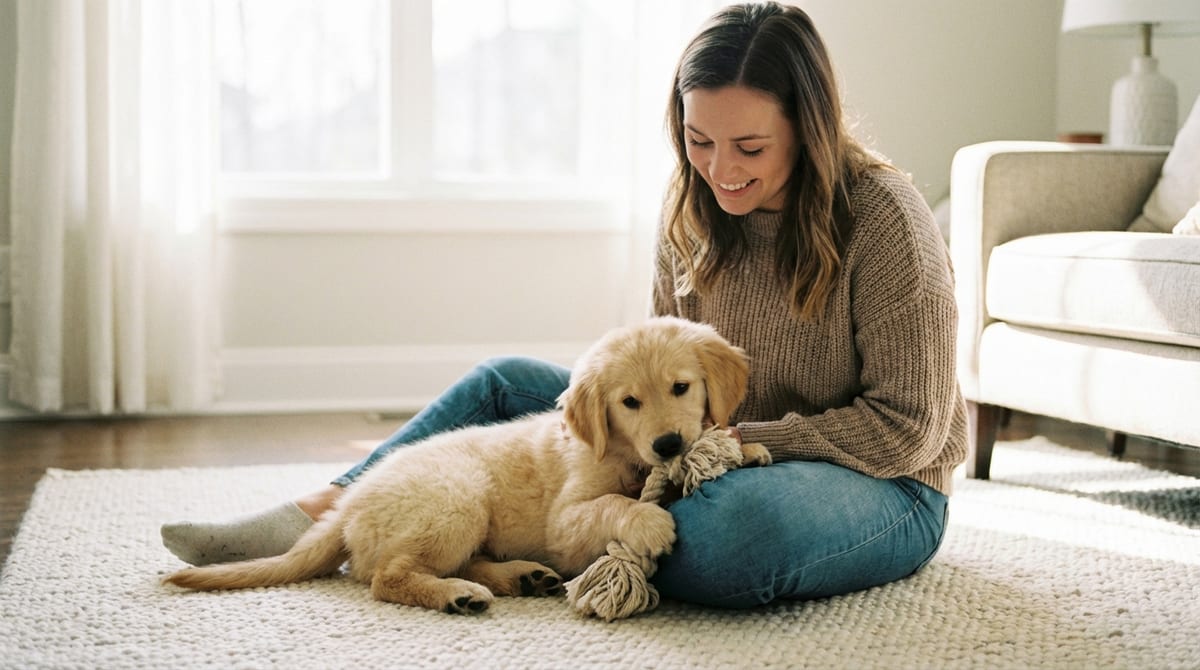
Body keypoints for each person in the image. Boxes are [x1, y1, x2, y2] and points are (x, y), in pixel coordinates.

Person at [162, 2, 967, 608]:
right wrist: (664, 452)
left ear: (810, 128)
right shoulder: (690, 207)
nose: (719, 169)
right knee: (507, 382)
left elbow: (908, 428)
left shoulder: (884, 218)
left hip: (875, 478)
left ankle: (528, 536)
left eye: (749, 147)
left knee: (730, 538)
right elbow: (652, 361)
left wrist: (732, 443)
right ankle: (333, 509)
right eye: (698, 139)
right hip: (693, 443)